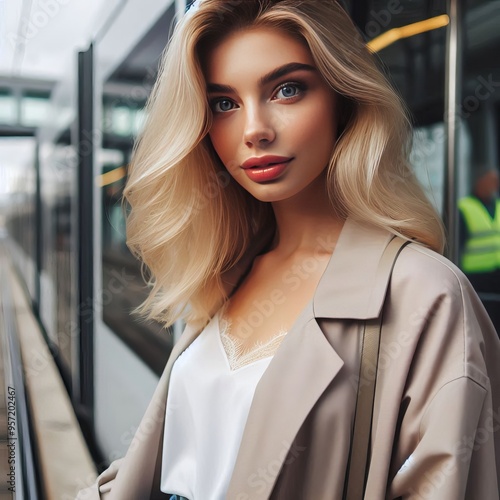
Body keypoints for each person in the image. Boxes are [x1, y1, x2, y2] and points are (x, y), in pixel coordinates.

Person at [78, 0, 500, 498]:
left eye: (288, 89)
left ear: (344, 98)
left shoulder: (425, 296)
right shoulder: (224, 269)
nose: (254, 129)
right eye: (224, 103)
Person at [458, 167, 500, 332]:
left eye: (496, 182)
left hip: (496, 274)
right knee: (482, 319)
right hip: (476, 275)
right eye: (490, 181)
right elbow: (457, 243)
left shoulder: (497, 205)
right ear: (479, 182)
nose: (494, 185)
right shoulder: (464, 207)